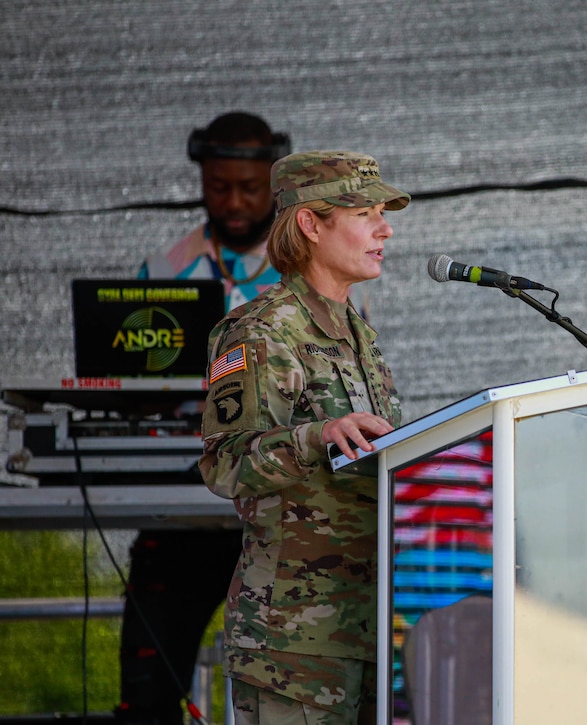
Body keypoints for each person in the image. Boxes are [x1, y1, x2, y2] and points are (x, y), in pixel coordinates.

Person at [199, 150, 410, 724]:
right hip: (290, 642)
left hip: (367, 631)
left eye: (382, 213)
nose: (384, 227)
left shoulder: (359, 334)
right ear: (310, 224)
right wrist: (318, 436)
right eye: (364, 212)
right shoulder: (259, 330)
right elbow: (225, 464)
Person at [119, 111, 291, 725]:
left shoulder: (315, 267)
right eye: (220, 187)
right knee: (149, 690)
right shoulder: (165, 271)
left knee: (286, 690)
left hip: (277, 504)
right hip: (183, 494)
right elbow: (131, 377)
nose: (236, 202)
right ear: (201, 179)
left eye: (250, 188)